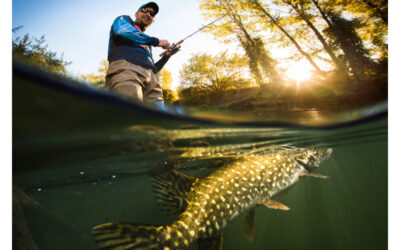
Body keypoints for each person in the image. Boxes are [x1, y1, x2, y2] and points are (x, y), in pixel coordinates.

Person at [105, 2, 180, 106]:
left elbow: (153, 68)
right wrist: (156, 41)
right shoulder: (124, 20)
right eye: (145, 10)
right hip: (127, 71)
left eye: (152, 14)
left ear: (153, 20)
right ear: (136, 13)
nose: (148, 14)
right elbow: (121, 30)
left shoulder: (147, 43)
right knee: (130, 113)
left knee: (156, 120)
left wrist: (167, 56)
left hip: (153, 83)